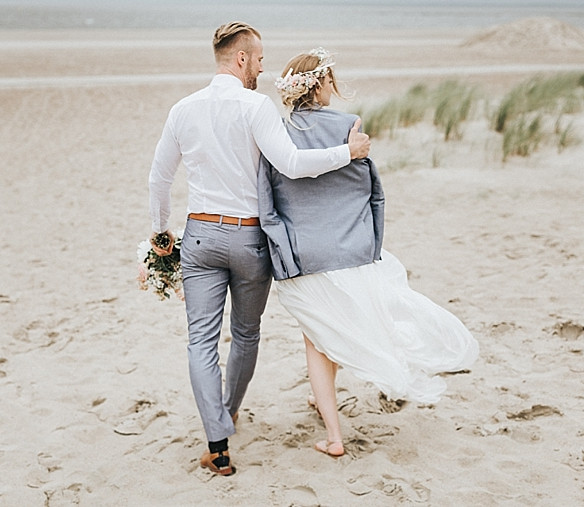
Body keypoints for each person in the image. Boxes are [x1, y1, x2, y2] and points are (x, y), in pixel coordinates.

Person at [148, 24, 371, 476]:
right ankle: (228, 412)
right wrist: (346, 154)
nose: (263, 68)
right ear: (242, 59)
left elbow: (159, 180)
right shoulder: (255, 107)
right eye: (260, 60)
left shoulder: (182, 109)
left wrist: (159, 234)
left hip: (200, 236)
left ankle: (217, 438)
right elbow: (290, 164)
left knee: (200, 341)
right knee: (246, 334)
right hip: (249, 240)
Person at [258, 48, 479, 457]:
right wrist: (369, 242)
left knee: (317, 337)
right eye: (329, 80)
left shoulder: (275, 133)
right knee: (332, 328)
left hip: (303, 256)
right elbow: (369, 191)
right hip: (349, 248)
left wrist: (281, 250)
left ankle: (334, 437)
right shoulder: (350, 127)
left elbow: (265, 200)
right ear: (321, 84)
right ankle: (327, 411)